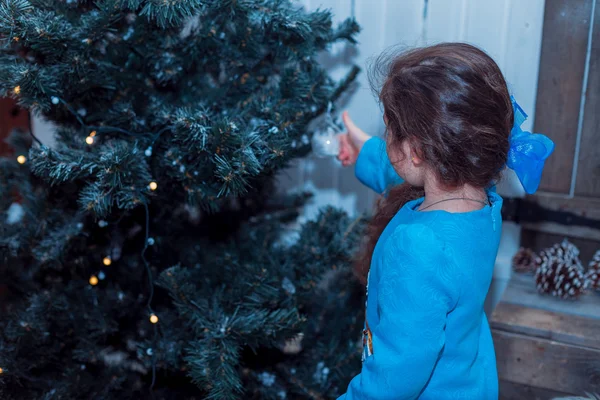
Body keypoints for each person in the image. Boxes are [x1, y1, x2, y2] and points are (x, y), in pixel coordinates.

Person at [335, 43, 554, 399]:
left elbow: (391, 383)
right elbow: (408, 176)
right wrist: (368, 151)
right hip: (469, 381)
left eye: (389, 130)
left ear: (418, 150)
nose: (385, 136)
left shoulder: (418, 248)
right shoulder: (481, 202)